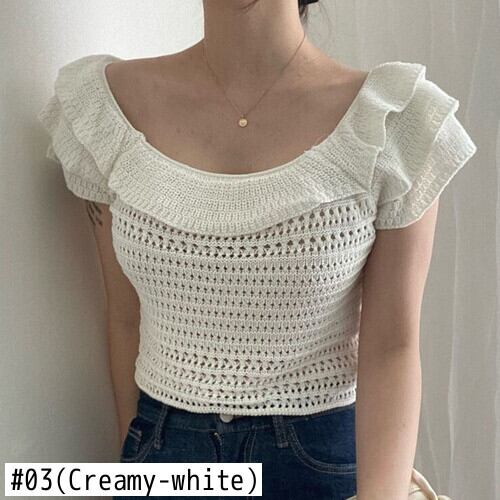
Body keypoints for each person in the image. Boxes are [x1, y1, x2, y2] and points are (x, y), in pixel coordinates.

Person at [36, 0, 477, 499]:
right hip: (164, 447)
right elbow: (125, 319)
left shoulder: (392, 123)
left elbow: (392, 343)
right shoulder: (107, 110)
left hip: (323, 462)